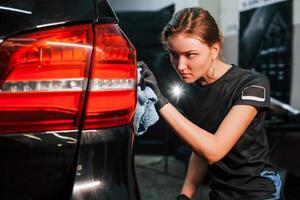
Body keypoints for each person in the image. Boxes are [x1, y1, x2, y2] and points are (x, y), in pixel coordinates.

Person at [139, 7, 283, 200]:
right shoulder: (190, 90)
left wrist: (159, 100)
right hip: (219, 193)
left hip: (258, 193)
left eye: (190, 55)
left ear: (214, 49)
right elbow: (199, 149)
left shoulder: (252, 84)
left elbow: (214, 150)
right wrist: (186, 195)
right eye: (174, 54)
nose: (180, 66)